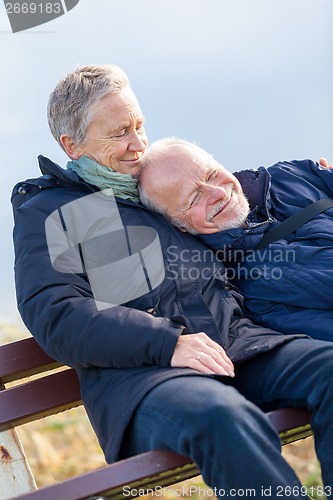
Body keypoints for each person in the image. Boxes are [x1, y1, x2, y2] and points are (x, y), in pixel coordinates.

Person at [12, 64, 333, 498]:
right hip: (148, 379)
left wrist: (314, 177)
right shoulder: (53, 210)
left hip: (239, 350)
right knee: (225, 419)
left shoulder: (154, 188)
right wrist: (169, 343)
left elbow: (226, 195)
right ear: (72, 145)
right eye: (119, 132)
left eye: (139, 125)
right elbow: (56, 314)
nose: (137, 144)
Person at [139, 137, 333, 341]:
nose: (218, 193)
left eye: (212, 174)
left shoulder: (290, 176)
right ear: (178, 225)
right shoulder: (242, 290)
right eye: (194, 198)